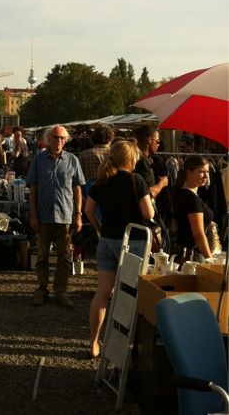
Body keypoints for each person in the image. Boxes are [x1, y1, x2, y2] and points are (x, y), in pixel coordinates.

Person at [85, 139, 154, 358]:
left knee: (102, 294)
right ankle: (124, 345)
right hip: (133, 241)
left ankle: (94, 343)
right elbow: (148, 214)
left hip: (107, 240)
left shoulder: (101, 181)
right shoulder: (136, 180)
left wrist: (99, 228)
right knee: (130, 294)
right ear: (131, 158)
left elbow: (88, 210)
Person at [27, 124, 85, 308]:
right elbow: (33, 189)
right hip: (43, 216)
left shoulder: (72, 160)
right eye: (55, 137)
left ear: (65, 140)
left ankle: (61, 291)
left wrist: (78, 214)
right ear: (48, 139)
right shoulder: (38, 160)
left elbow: (77, 189)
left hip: (65, 216)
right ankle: (42, 289)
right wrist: (33, 215)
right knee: (42, 256)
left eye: (61, 138)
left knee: (64, 257)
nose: (58, 140)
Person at [173, 155, 213, 261]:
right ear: (189, 172)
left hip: (185, 252)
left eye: (207, 172)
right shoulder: (191, 198)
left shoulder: (182, 193)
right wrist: (210, 260)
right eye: (201, 172)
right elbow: (198, 235)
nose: (206, 176)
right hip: (193, 256)